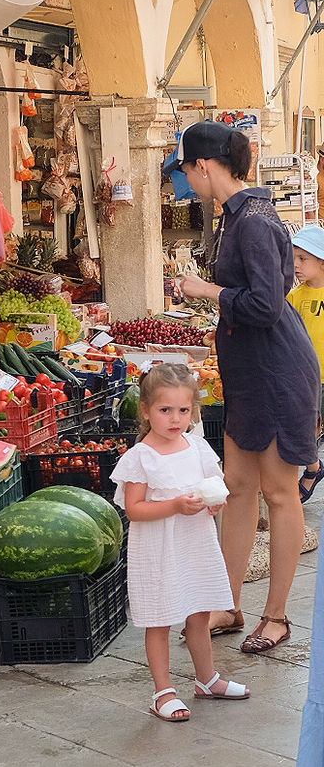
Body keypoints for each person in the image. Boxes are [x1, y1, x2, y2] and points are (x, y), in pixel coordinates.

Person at [166, 120, 320, 654]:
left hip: (277, 373)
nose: (185, 181)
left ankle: (275, 616)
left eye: (186, 170)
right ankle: (228, 604)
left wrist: (206, 289)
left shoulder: (254, 222)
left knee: (279, 493)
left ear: (204, 166)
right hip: (250, 373)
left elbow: (265, 304)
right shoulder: (236, 217)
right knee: (236, 488)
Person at [110, 363, 249, 723]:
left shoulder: (198, 447)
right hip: (159, 551)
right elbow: (135, 510)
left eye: (183, 410)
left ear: (194, 411)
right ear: (146, 411)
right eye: (165, 410)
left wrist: (215, 502)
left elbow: (215, 489)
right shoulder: (140, 457)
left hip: (195, 546)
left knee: (199, 613)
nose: (175, 419)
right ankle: (163, 691)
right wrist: (174, 506)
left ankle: (207, 679)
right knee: (160, 619)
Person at [287, 226, 324, 502]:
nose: (296, 265)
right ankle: (313, 468)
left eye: (303, 259)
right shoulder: (295, 297)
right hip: (308, 376)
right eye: (294, 258)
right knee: (306, 426)